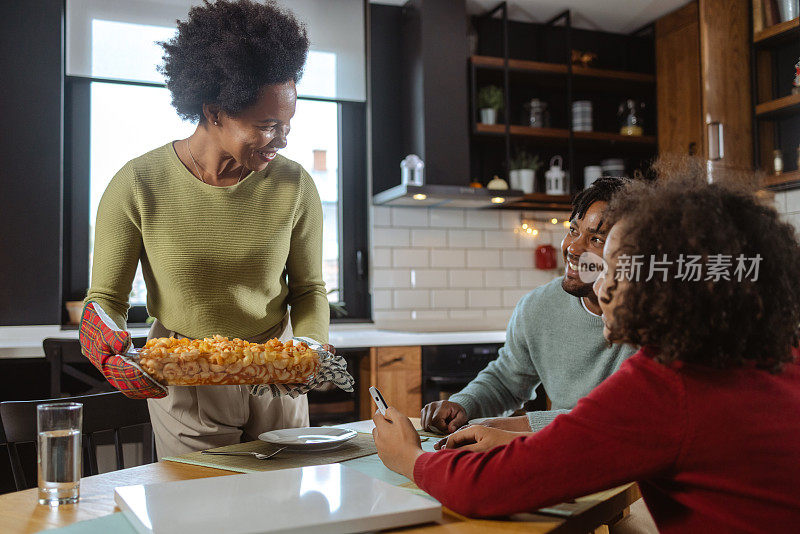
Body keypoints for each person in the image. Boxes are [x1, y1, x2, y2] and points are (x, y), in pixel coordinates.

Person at [373, 170, 800, 531]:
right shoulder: (774, 355)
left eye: (616, 266)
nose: (604, 283)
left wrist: (409, 458)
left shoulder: (667, 386)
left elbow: (490, 487)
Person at [83, 0, 331, 458]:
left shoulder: (295, 184)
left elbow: (310, 288)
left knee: (287, 515)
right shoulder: (137, 183)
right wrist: (102, 342)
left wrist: (309, 346)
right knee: (199, 515)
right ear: (214, 110)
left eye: (288, 124)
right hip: (186, 380)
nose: (283, 139)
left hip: (275, 372)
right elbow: (106, 300)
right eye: (268, 125)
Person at [421, 177, 636, 435]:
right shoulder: (539, 306)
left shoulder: (655, 317)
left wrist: (521, 427)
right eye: (573, 230)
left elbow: (629, 414)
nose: (573, 248)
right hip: (562, 455)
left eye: (597, 239)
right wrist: (463, 404)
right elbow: (506, 381)